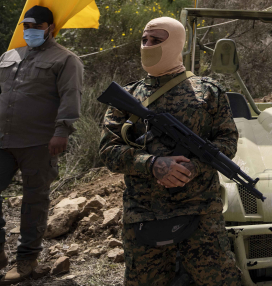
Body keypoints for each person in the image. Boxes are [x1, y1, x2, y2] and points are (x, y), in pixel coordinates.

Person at [99, 17, 242, 285]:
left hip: (200, 211)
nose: (147, 45)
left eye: (156, 40)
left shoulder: (208, 92)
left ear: (176, 43)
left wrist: (193, 167)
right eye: (144, 40)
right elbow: (108, 150)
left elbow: (227, 142)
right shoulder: (128, 95)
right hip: (143, 213)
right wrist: (152, 164)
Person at [0, 5, 83, 283]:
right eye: (26, 26)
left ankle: (27, 261)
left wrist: (62, 131)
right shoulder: (9, 56)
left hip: (40, 144)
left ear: (49, 28)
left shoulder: (65, 60)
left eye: (36, 27)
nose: (30, 32)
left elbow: (70, 96)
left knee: (34, 200)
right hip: (1, 141)